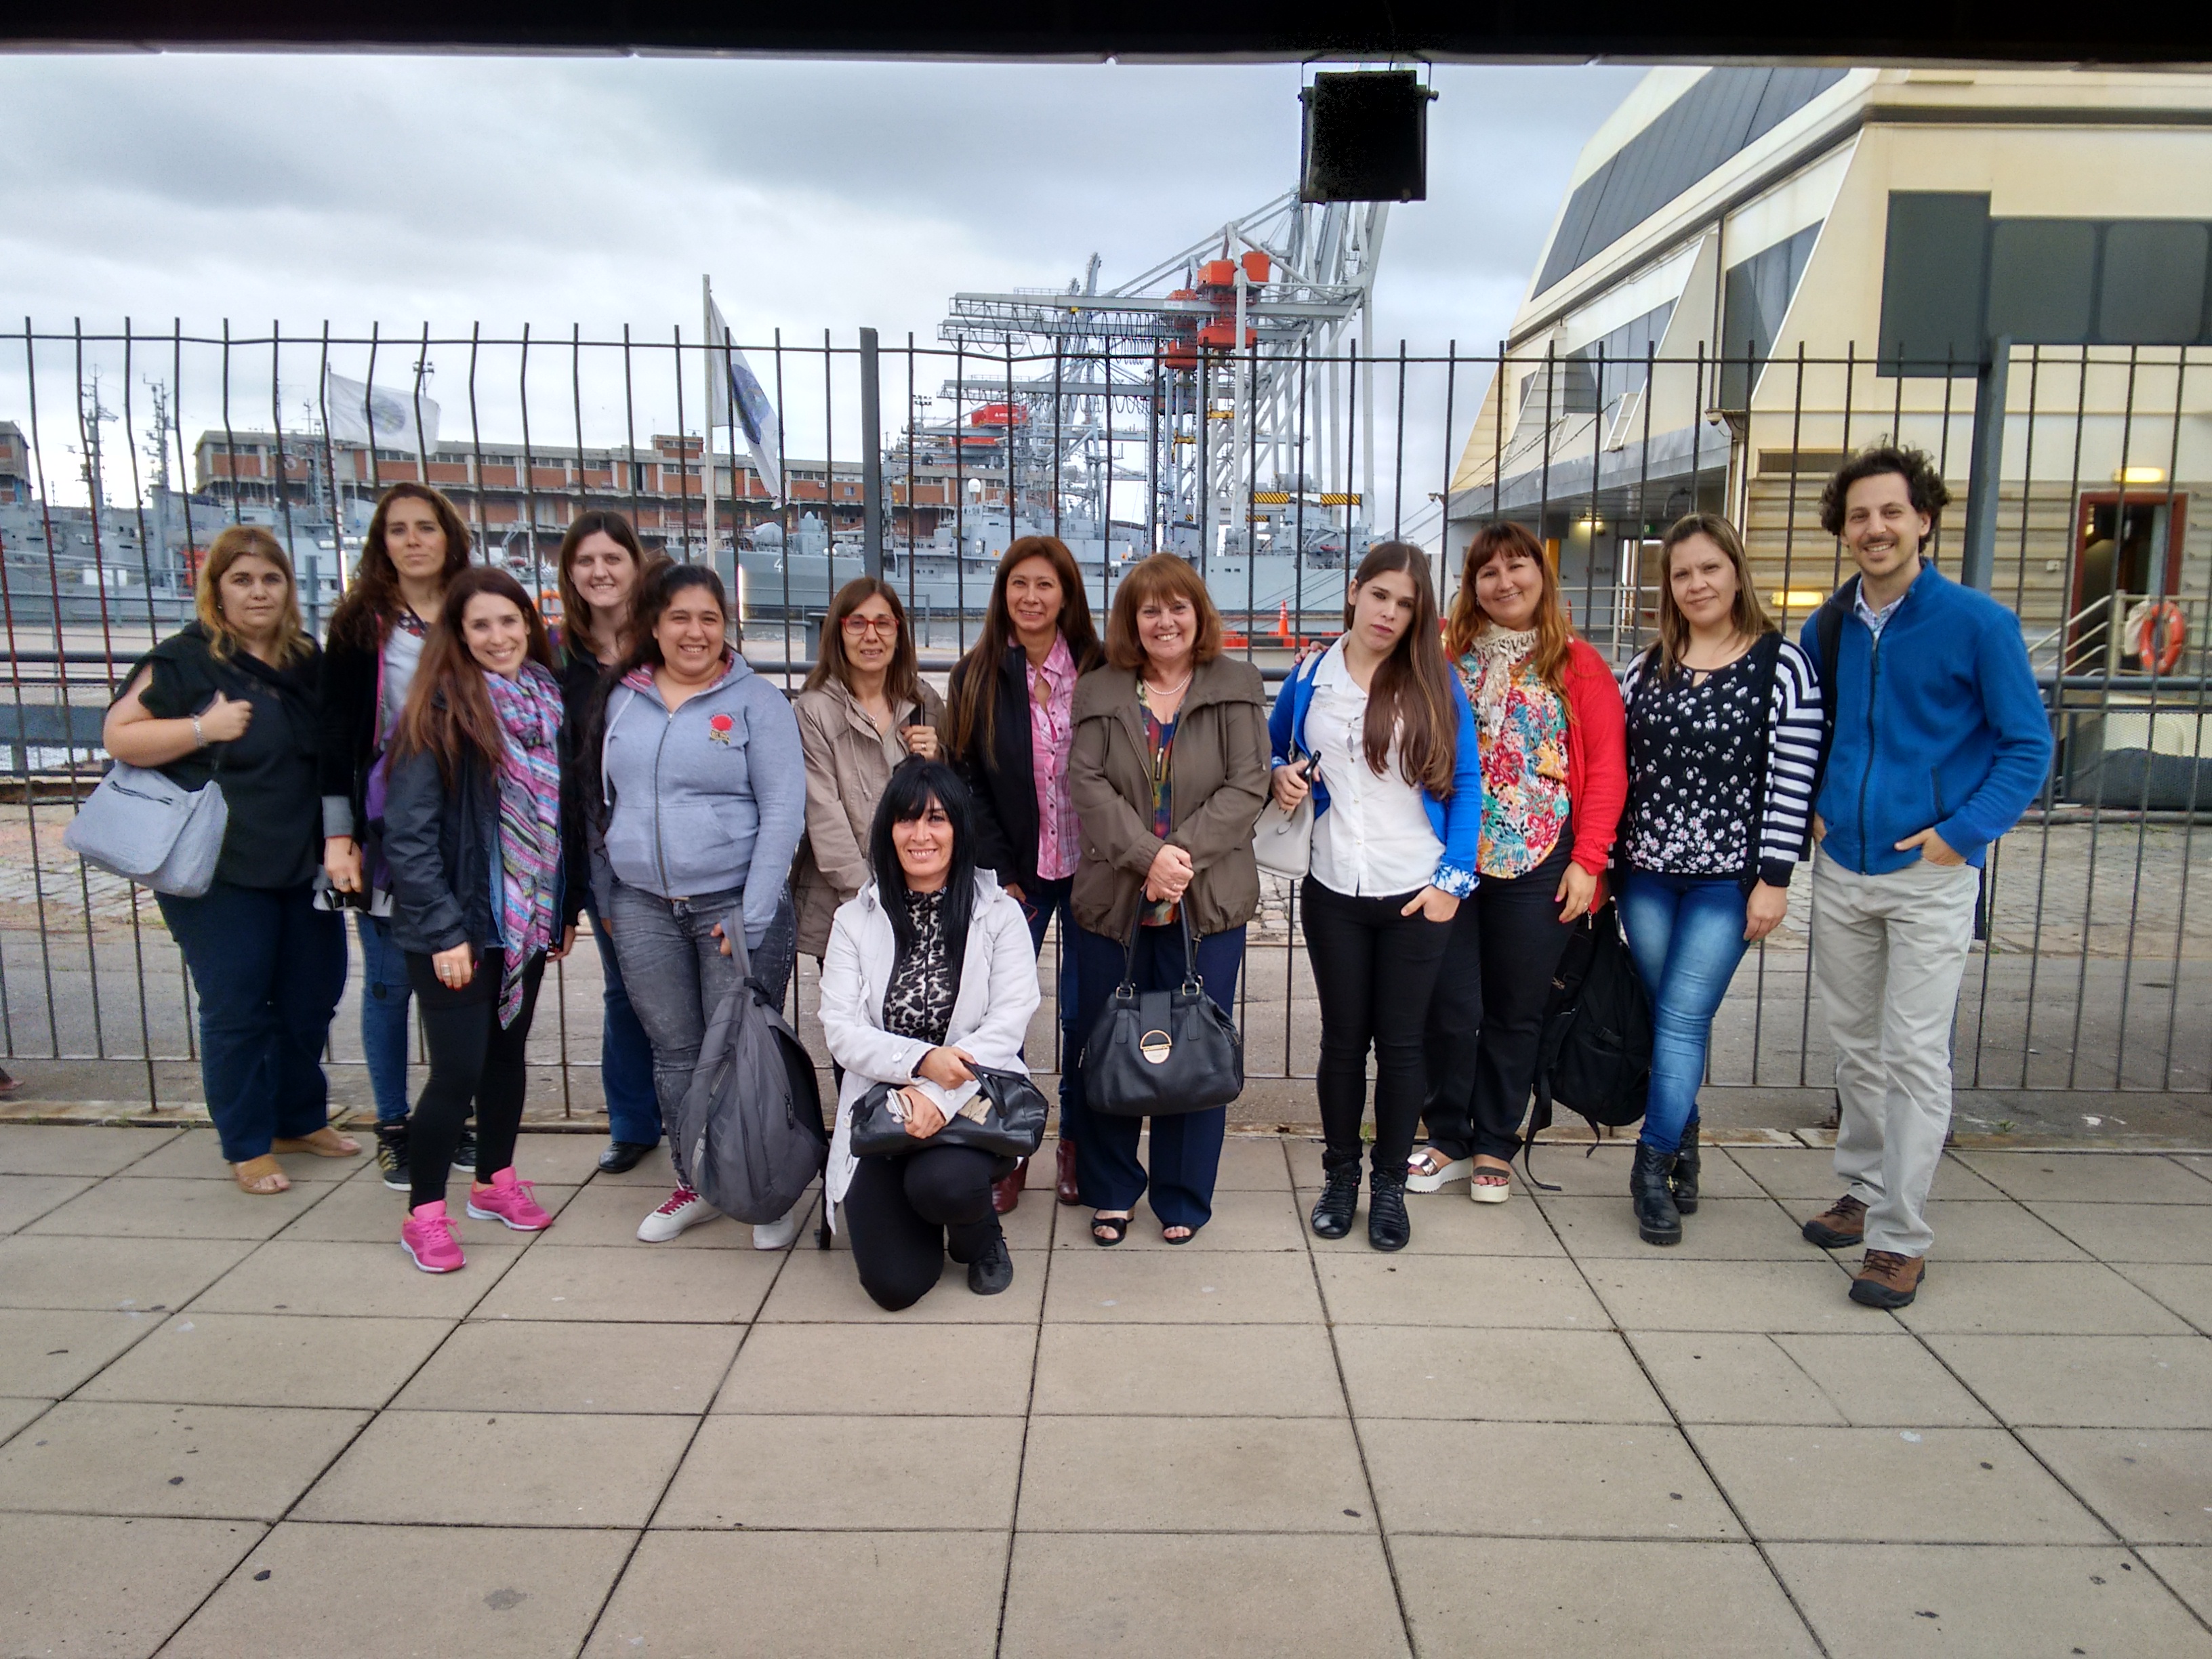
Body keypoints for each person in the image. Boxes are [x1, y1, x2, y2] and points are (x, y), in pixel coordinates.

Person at [1797, 445, 2051, 1309]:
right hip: (1844, 865)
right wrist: (1814, 813)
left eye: (1891, 513)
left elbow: (2028, 746)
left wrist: (1963, 834)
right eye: (1860, 515)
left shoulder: (1978, 624)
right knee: (1858, 1046)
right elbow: (1814, 734)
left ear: (1924, 520)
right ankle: (1865, 1188)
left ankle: (1901, 1236)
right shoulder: (1825, 628)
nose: (1875, 529)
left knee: (1912, 1054)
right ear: (1844, 528)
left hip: (1930, 874)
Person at [103, 525, 351, 1194]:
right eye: (242, 579)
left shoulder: (307, 661)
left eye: (271, 578)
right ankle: (245, 1140)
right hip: (217, 868)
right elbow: (120, 734)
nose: (259, 591)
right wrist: (198, 729)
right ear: (215, 589)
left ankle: (296, 1118)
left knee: (311, 998)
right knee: (237, 1005)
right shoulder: (187, 661)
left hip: (301, 864)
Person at [1270, 542, 1481, 1252]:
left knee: (1401, 1045)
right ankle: (1340, 1177)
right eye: (1381, 595)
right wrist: (1282, 777)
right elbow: (1276, 749)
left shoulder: (1433, 681)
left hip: (1413, 890)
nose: (1389, 613)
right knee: (1340, 1041)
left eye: (1407, 603)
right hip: (1333, 886)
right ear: (1355, 592)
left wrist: (1453, 882)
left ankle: (1389, 1184)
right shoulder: (1310, 676)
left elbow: (1470, 780)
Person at [1617, 514, 1822, 1244]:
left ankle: (1650, 1165)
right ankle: (1686, 1145)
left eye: (1709, 568)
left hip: (1725, 882)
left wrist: (1775, 877)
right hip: (1643, 877)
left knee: (1681, 1020)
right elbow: (1622, 772)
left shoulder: (1782, 666)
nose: (1697, 584)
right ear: (1668, 587)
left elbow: (1793, 782)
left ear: (1735, 571)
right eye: (1682, 574)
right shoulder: (1647, 668)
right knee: (1666, 1014)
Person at [590, 562, 807, 1249]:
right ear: (654, 624)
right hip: (644, 904)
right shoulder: (622, 700)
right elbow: (600, 803)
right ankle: (698, 1180)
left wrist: (755, 911)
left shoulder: (756, 704)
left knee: (742, 1050)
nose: (695, 631)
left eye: (709, 617)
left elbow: (783, 811)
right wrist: (610, 896)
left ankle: (764, 1187)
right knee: (676, 1053)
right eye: (680, 617)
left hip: (732, 906)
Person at [1410, 522, 1626, 1204]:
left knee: (1517, 1008)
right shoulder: (1447, 657)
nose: (1505, 582)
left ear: (1542, 572)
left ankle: (1495, 1141)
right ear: (1472, 585)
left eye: (1518, 567)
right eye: (1489, 572)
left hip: (1541, 858)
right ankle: (1447, 1132)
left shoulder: (1580, 665)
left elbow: (1611, 773)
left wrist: (1588, 862)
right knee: (1449, 1004)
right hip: (1453, 858)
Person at [381, 567, 581, 1271]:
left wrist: (557, 911)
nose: (498, 637)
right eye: (481, 625)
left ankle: (496, 1181)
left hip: (520, 920)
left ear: (529, 625)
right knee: (457, 1070)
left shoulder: (545, 702)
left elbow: (560, 824)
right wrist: (443, 932)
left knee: (505, 1059)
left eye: (509, 621)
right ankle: (425, 1212)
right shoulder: (436, 712)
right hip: (456, 925)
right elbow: (408, 835)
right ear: (458, 636)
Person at [1066, 554, 1268, 1245]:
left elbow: (1248, 786)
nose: (1165, 620)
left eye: (1177, 606)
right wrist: (1148, 858)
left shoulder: (1236, 685)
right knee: (1108, 1039)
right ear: (1132, 620)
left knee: (1194, 1046)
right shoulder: (1099, 689)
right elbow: (1086, 784)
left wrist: (1177, 860)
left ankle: (1182, 1197)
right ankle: (1112, 1187)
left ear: (1198, 614)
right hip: (1115, 898)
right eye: (1150, 609)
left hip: (1205, 902)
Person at [819, 761, 1039, 1309]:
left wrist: (939, 1091)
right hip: (881, 1108)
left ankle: (980, 1236)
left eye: (937, 819)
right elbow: (841, 1031)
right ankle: (918, 1214)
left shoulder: (1000, 914)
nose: (921, 835)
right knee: (895, 1287)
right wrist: (920, 1066)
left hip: (971, 1101)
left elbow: (1010, 1020)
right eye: (906, 820)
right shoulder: (854, 919)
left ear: (960, 829)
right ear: (887, 832)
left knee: (944, 1185)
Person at [319, 483, 473, 1192]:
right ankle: (391, 1124)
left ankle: (453, 1113)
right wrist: (339, 836)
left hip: (468, 823)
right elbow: (336, 736)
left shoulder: (476, 610)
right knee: (387, 984)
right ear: (382, 543)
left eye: (427, 527)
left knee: (465, 975)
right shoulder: (361, 625)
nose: (414, 540)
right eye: (399, 529)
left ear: (448, 535)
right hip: (388, 824)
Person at [945, 536, 1104, 1213]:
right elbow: (967, 779)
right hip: (1018, 872)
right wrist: (1001, 868)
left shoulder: (1101, 669)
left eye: (1046, 585)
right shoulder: (978, 673)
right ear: (1003, 593)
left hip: (1094, 867)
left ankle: (1079, 1146)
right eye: (1019, 585)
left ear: (1067, 594)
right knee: (996, 1017)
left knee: (1087, 1013)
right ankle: (1004, 1146)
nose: (1032, 598)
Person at [552, 510, 668, 1174]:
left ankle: (697, 1107)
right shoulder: (556, 658)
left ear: (635, 565)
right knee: (626, 987)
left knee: (686, 989)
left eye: (612, 559)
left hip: (668, 839)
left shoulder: (661, 649)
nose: (600, 572)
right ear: (571, 573)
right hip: (599, 850)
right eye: (586, 561)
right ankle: (631, 1120)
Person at [794, 577, 945, 964]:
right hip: (848, 903)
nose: (871, 636)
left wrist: (938, 760)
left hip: (924, 895)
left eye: (884, 623)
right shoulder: (814, 711)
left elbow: (948, 803)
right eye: (857, 623)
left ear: (899, 631)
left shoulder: (924, 701)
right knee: (852, 1019)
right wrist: (870, 898)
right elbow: (823, 814)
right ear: (839, 632)